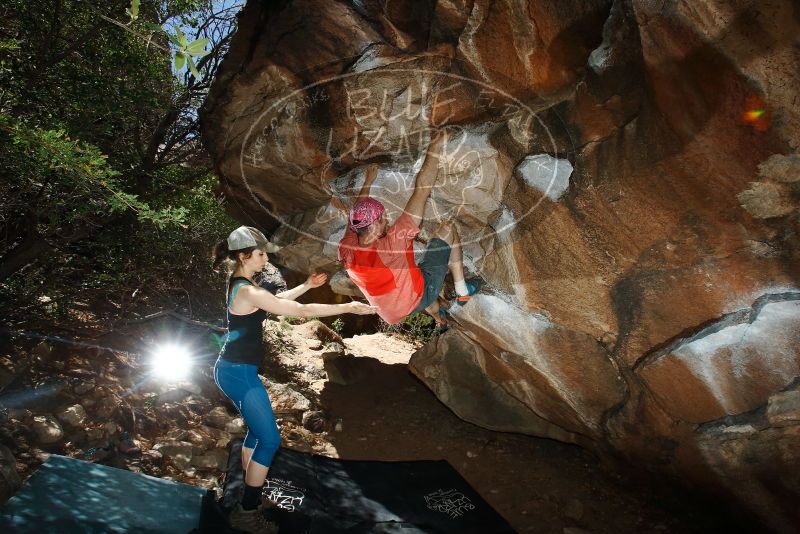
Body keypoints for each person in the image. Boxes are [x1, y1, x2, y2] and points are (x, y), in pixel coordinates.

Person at [211, 225, 376, 533]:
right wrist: (348, 305)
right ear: (245, 255)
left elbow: (278, 301)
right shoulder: (247, 289)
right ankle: (247, 513)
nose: (265, 259)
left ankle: (250, 495)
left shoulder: (242, 285)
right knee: (270, 440)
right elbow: (297, 311)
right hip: (238, 373)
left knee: (257, 434)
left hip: (234, 369)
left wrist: (307, 285)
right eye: (261, 254)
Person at [338, 130, 479, 331]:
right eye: (383, 218)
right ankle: (462, 290)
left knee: (416, 280)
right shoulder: (392, 244)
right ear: (376, 223)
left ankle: (440, 319)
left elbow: (357, 213)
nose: (387, 220)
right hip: (415, 297)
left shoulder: (346, 247)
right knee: (447, 229)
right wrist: (435, 147)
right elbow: (422, 190)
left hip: (390, 311)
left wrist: (368, 182)